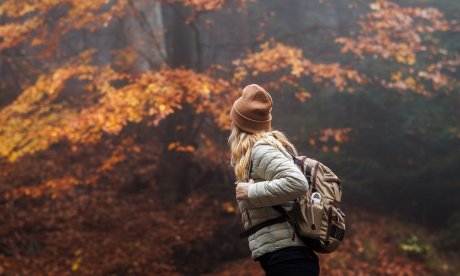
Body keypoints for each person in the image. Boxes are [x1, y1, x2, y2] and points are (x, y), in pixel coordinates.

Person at [228, 84, 320, 276]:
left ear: (238, 122)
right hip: (286, 257)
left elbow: (297, 183)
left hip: (290, 258)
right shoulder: (258, 152)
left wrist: (250, 192)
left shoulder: (261, 150)